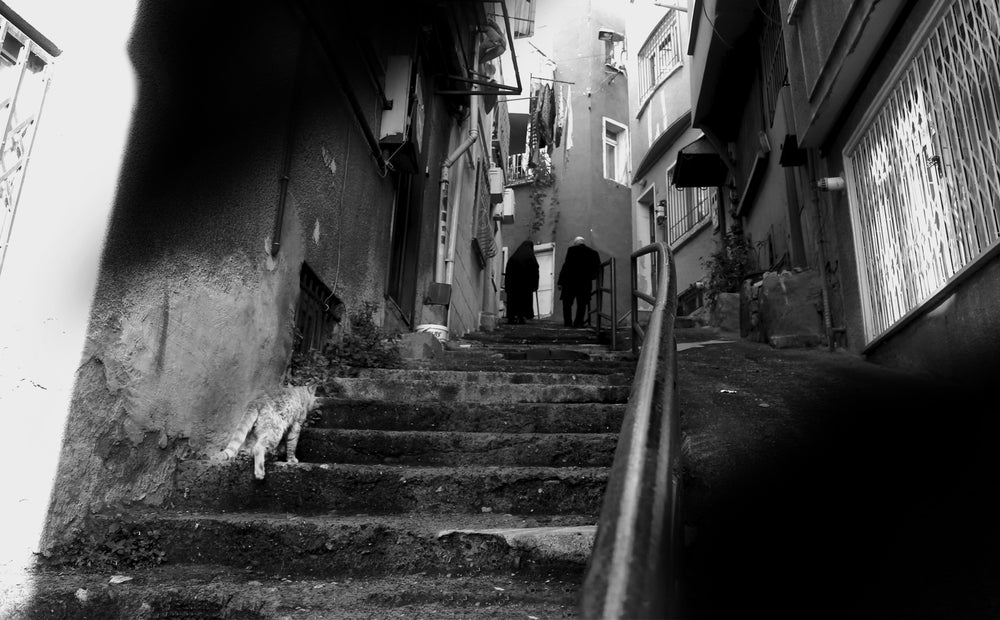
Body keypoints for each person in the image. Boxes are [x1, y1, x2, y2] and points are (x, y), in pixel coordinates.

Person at [558, 236, 601, 328]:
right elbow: (597, 268)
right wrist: (592, 277)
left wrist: (560, 282)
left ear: (575, 243)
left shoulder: (571, 250)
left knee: (567, 304)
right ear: (583, 242)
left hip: (570, 282)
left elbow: (566, 266)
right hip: (585, 283)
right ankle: (578, 323)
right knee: (582, 304)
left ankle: (568, 323)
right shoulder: (593, 253)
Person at [504, 240, 539, 324]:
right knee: (524, 301)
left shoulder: (513, 257)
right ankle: (522, 317)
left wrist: (507, 285)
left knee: (513, 300)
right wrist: (535, 285)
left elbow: (508, 272)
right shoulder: (531, 257)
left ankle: (511, 317)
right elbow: (535, 271)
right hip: (525, 285)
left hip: (513, 284)